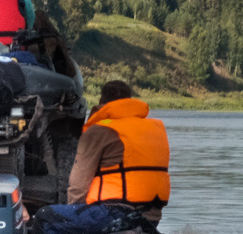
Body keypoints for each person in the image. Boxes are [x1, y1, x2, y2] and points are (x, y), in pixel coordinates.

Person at [64, 80, 170, 221]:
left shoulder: (99, 130)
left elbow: (79, 184)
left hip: (113, 213)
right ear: (129, 100)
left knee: (45, 216)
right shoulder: (155, 128)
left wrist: (74, 216)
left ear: (101, 100)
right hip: (151, 216)